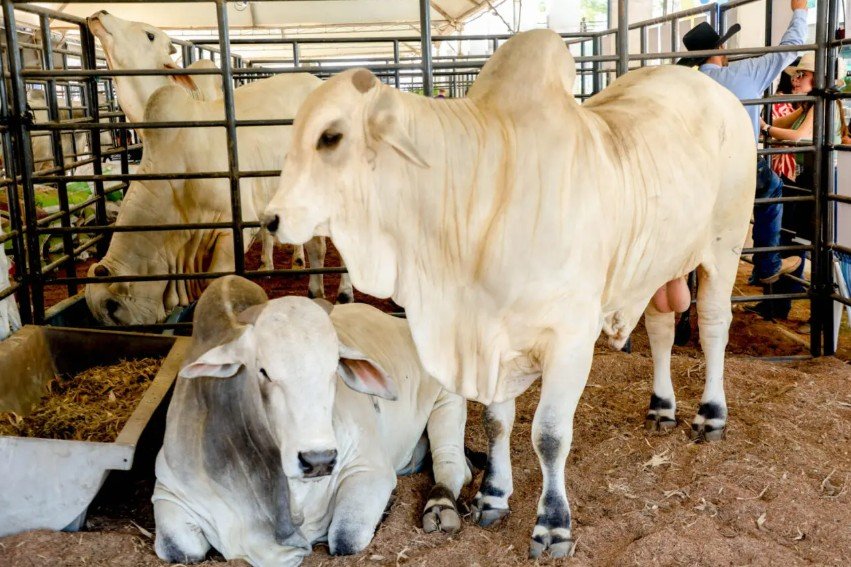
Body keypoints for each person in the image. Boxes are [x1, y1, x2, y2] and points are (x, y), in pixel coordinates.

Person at [678, 0, 808, 287]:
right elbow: (793, 46)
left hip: (698, 163)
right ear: (721, 49)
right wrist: (800, 10)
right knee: (772, 188)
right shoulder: (746, 72)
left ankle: (683, 277)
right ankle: (766, 264)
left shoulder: (687, 83)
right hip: (738, 162)